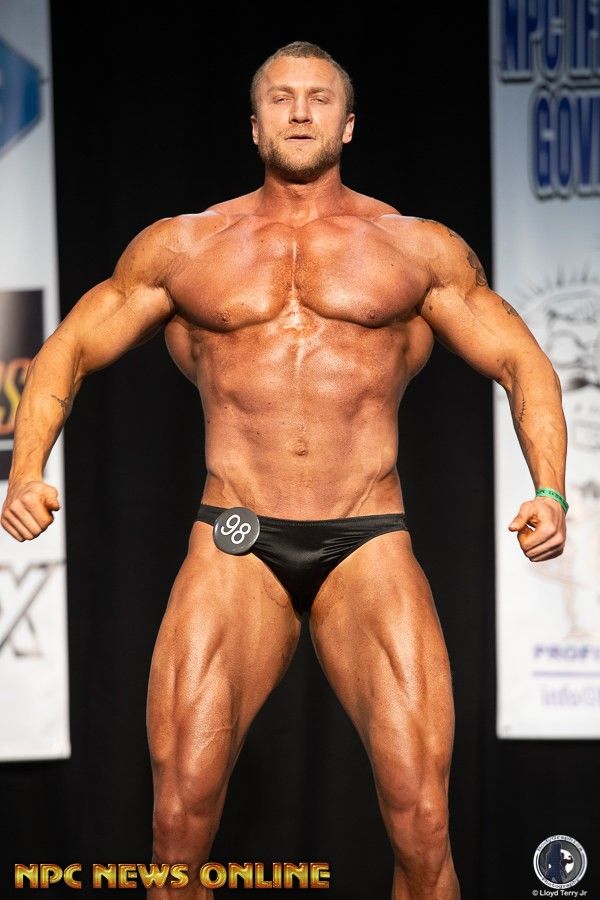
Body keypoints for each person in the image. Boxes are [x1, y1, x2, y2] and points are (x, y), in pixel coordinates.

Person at [1, 40, 568, 900]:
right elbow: (69, 348)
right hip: (235, 534)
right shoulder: (185, 246)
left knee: (422, 822)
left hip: (367, 537)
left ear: (349, 124)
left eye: (318, 98)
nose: (300, 111)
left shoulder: (416, 249)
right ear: (254, 125)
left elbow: (523, 362)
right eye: (281, 98)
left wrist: (551, 488)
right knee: (177, 823)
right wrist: (25, 471)